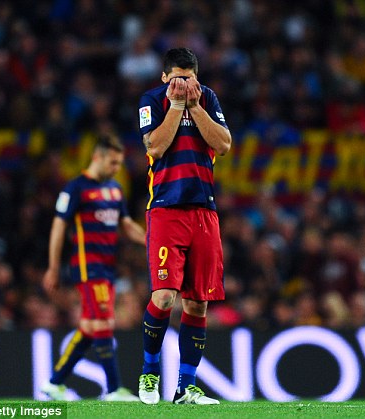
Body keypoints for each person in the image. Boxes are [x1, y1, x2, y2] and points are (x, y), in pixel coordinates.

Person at [136, 47, 231, 405]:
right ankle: (149, 373)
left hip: (204, 213)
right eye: (177, 78)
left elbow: (223, 144)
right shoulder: (152, 100)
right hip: (165, 209)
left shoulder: (207, 98)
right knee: (163, 296)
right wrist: (177, 107)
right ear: (164, 78)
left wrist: (194, 106)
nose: (184, 84)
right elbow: (155, 147)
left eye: (189, 78)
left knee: (197, 304)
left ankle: (185, 388)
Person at [41, 135, 145, 401]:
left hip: (108, 268)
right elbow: (58, 227)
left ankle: (54, 383)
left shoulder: (115, 190)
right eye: (112, 162)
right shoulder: (75, 188)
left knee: (90, 326)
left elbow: (127, 225)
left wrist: (151, 240)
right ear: (96, 157)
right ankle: (113, 389)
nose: (116, 168)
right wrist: (53, 267)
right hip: (88, 267)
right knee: (104, 322)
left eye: (119, 163)